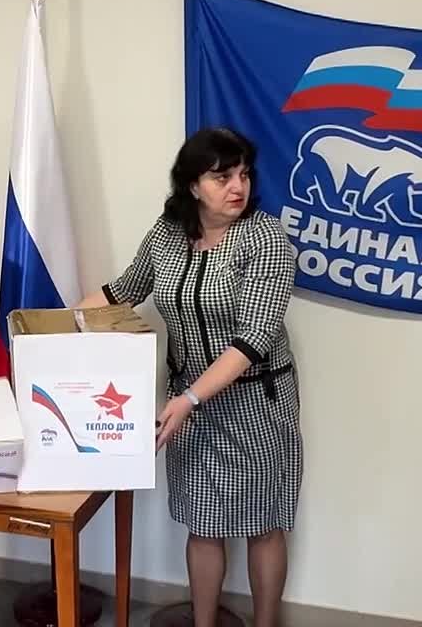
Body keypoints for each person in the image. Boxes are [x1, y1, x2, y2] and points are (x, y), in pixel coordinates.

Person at [78, 127, 302, 627]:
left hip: (255, 402)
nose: (237, 186)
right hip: (189, 405)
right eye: (222, 177)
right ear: (192, 184)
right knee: (203, 521)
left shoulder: (266, 238)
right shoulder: (167, 233)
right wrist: (51, 326)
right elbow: (123, 292)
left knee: (263, 522)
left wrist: (189, 400)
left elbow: (253, 339)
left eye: (244, 174)